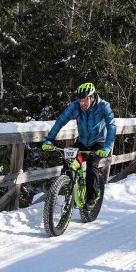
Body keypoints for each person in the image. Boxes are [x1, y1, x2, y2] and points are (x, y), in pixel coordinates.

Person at [42, 82, 116, 211]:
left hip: (99, 143)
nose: (82, 103)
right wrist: (50, 139)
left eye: (85, 100)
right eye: (80, 100)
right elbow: (61, 121)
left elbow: (111, 126)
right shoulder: (75, 106)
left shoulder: (103, 106)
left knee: (92, 165)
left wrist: (107, 147)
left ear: (92, 97)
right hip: (83, 142)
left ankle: (91, 198)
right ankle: (69, 190)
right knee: (69, 160)